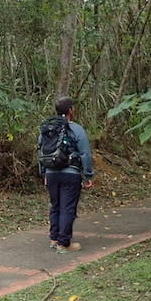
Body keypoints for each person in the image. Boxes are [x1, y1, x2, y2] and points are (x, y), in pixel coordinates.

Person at [39, 96, 94, 253]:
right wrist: (88, 175)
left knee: (55, 206)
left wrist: (44, 173)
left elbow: (41, 150)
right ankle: (64, 243)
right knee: (67, 208)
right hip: (71, 174)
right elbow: (85, 154)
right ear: (70, 110)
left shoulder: (47, 128)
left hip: (51, 174)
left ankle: (54, 238)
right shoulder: (76, 129)